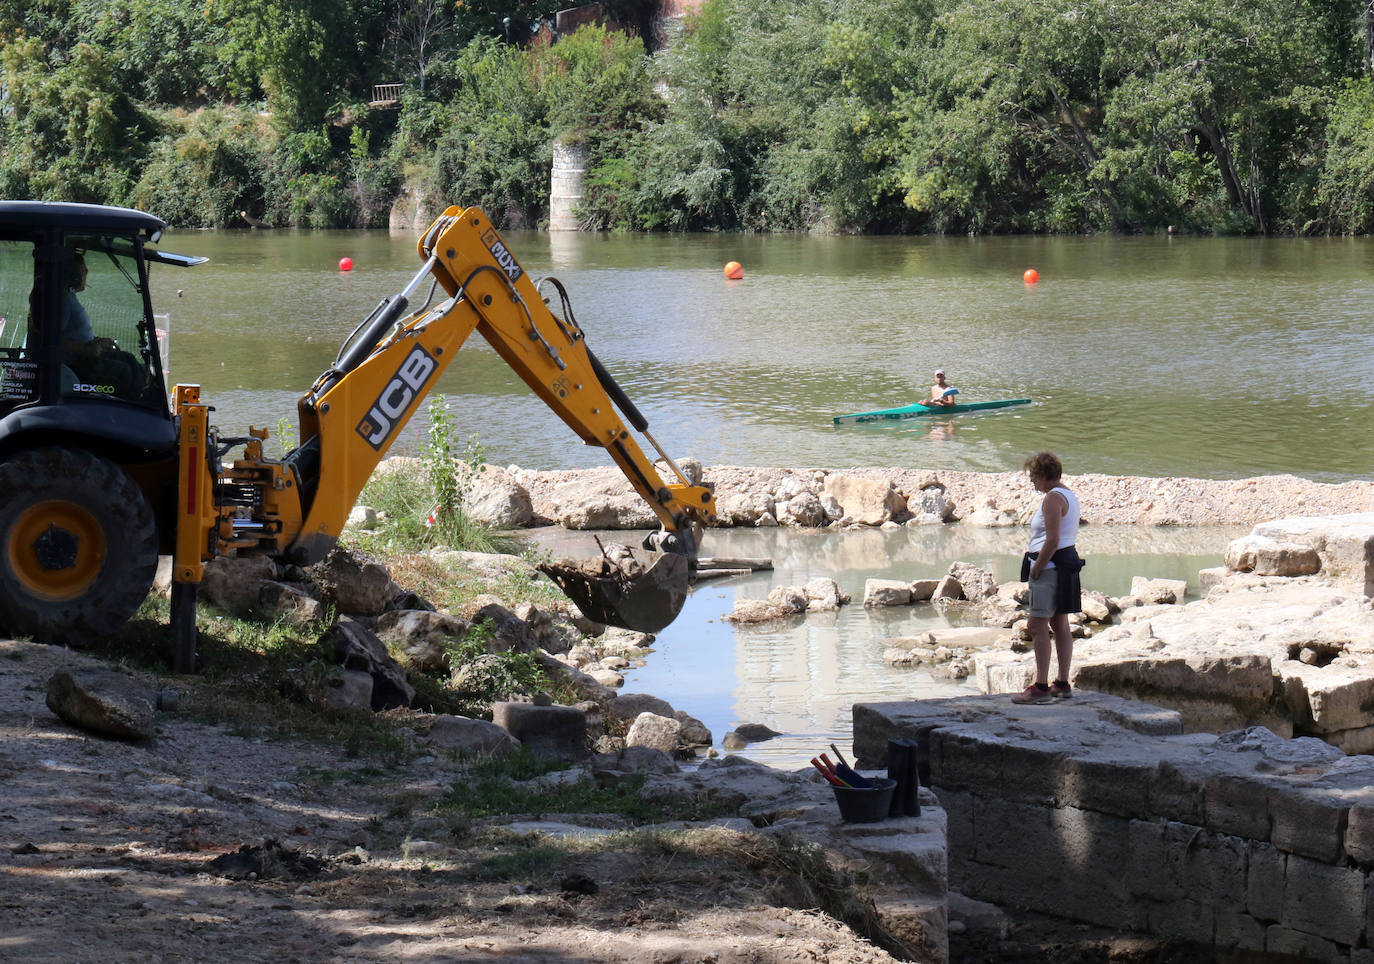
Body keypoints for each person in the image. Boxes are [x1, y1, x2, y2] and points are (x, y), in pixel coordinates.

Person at [1011, 451, 1085, 705]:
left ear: (1043, 476)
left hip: (1051, 566)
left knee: (1036, 624)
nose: (1031, 481)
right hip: (1065, 565)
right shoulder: (1068, 494)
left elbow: (1052, 539)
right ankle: (1062, 683)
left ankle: (1041, 686)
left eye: (1033, 476)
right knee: (1059, 622)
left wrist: (1037, 567)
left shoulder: (1052, 499)